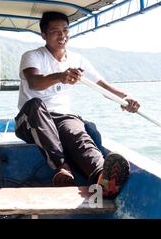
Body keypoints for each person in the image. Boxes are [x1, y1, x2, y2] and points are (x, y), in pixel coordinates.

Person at [15, 11, 139, 198]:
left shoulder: (77, 60)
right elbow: (34, 81)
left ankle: (102, 179)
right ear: (44, 35)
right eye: (55, 31)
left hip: (61, 117)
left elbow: (102, 86)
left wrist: (125, 98)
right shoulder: (32, 56)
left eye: (65, 30)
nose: (62, 35)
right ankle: (62, 169)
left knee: (77, 131)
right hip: (30, 121)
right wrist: (60, 76)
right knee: (35, 104)